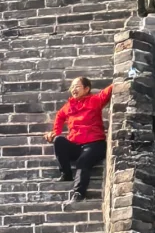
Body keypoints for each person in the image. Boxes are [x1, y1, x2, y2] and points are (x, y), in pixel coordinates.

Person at [45, 75, 113, 204]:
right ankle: (66, 174)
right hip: (76, 144)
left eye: (77, 86)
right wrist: (56, 132)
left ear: (86, 89)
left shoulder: (95, 100)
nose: (73, 89)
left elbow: (108, 91)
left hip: (94, 144)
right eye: (72, 87)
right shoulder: (69, 105)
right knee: (59, 140)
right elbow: (60, 116)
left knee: (82, 163)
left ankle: (79, 193)